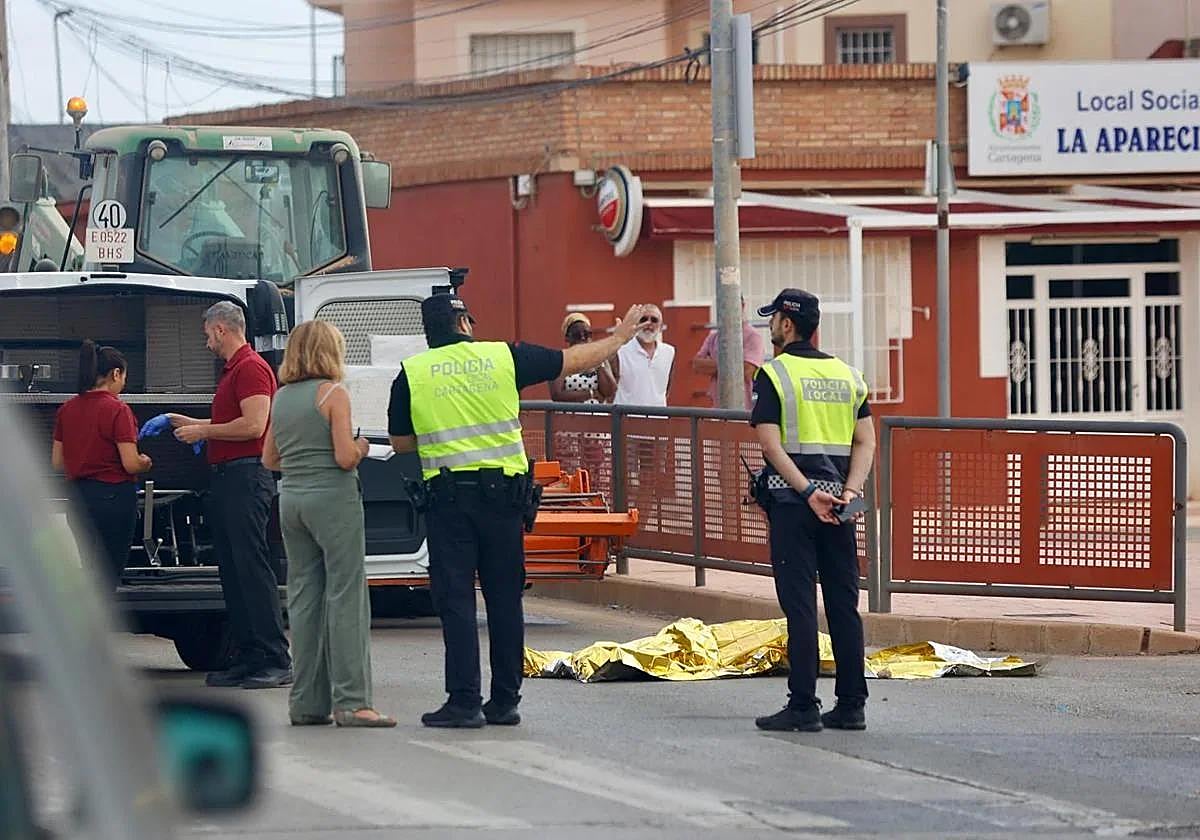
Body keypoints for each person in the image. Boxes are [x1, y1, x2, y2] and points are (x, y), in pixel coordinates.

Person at [387, 290, 650, 728]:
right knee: (505, 599)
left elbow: (401, 443)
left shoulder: (412, 373)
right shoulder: (504, 357)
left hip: (449, 502)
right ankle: (505, 701)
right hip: (504, 501)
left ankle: (464, 702)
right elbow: (573, 361)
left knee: (456, 600)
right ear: (465, 324)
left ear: (428, 333)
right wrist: (621, 336)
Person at [749, 288, 875, 733]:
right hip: (840, 505)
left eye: (773, 319)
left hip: (794, 504)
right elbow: (866, 441)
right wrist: (851, 492)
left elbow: (770, 444)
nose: (770, 326)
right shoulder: (849, 375)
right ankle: (852, 705)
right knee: (843, 603)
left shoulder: (774, 374)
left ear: (787, 324)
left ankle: (803, 705)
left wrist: (805, 492)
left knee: (801, 604)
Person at [263, 321, 395, 728]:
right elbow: (343, 456)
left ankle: (306, 703)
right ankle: (353, 702)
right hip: (333, 500)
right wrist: (363, 446)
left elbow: (269, 459)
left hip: (292, 500)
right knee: (346, 596)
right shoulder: (333, 393)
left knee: (305, 597)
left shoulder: (281, 397)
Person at [168, 302, 292, 690]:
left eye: (207, 334)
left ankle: (274, 657)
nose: (207, 343)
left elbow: (254, 425)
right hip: (229, 478)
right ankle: (249, 654)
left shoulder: (251, 368)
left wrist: (204, 432)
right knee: (234, 571)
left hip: (246, 476)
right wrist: (193, 424)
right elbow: (233, 422)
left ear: (221, 329)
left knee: (251, 568)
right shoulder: (234, 371)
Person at [52, 341, 153, 588]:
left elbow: (57, 462)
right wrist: (145, 462)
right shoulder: (117, 409)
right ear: (115, 374)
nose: (124, 384)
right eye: (124, 377)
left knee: (89, 569)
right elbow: (130, 463)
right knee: (108, 574)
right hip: (113, 498)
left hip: (78, 497)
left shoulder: (67, 409)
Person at [692, 298, 767, 409]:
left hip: (745, 408)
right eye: (723, 305)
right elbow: (697, 364)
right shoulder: (714, 337)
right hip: (718, 407)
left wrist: (714, 365)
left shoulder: (753, 337)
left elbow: (747, 369)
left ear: (742, 306)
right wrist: (734, 365)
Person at [611, 304, 674, 407]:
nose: (648, 323)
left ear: (661, 326)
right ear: (637, 323)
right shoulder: (621, 350)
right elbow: (610, 387)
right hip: (627, 414)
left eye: (654, 320)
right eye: (643, 319)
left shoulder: (669, 352)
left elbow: (666, 386)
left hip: (658, 414)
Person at [549, 313, 617, 404]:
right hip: (570, 412)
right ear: (567, 338)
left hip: (597, 412)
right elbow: (557, 394)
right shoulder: (560, 360)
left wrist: (597, 362)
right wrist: (590, 393)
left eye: (587, 334)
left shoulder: (600, 359)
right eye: (577, 334)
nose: (582, 337)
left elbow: (609, 391)